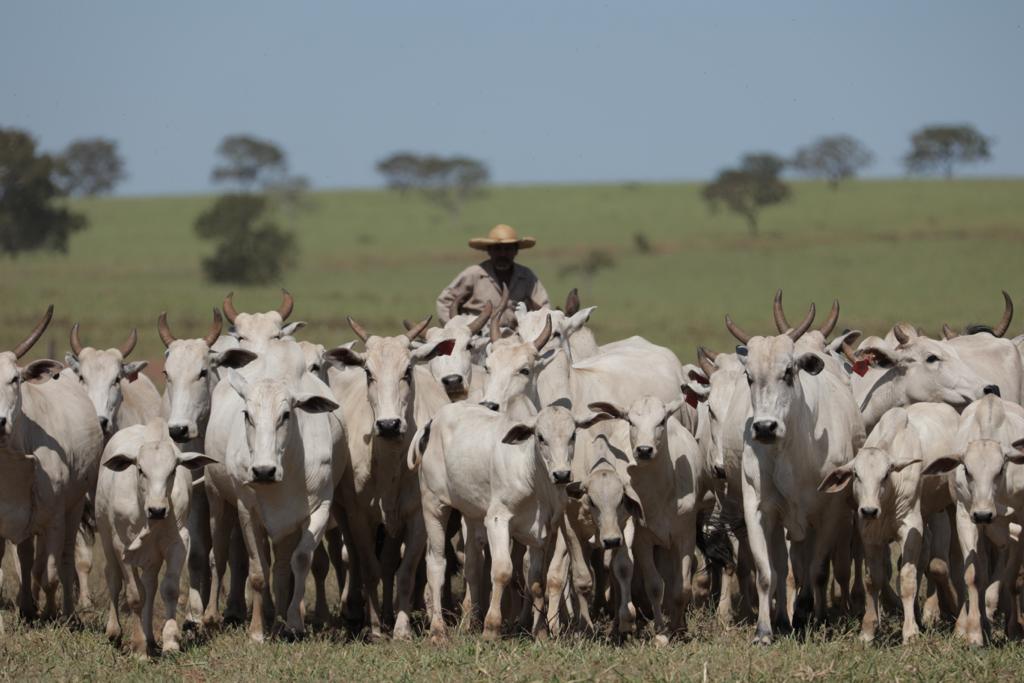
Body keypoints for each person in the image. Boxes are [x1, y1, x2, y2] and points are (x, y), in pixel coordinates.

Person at [436, 224, 550, 324]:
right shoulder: (474, 274)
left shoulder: (526, 276)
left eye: (508, 249)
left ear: (516, 251)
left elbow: (544, 308)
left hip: (516, 335)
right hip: (478, 339)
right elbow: (444, 302)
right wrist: (455, 330)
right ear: (489, 251)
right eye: (497, 249)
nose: (502, 254)